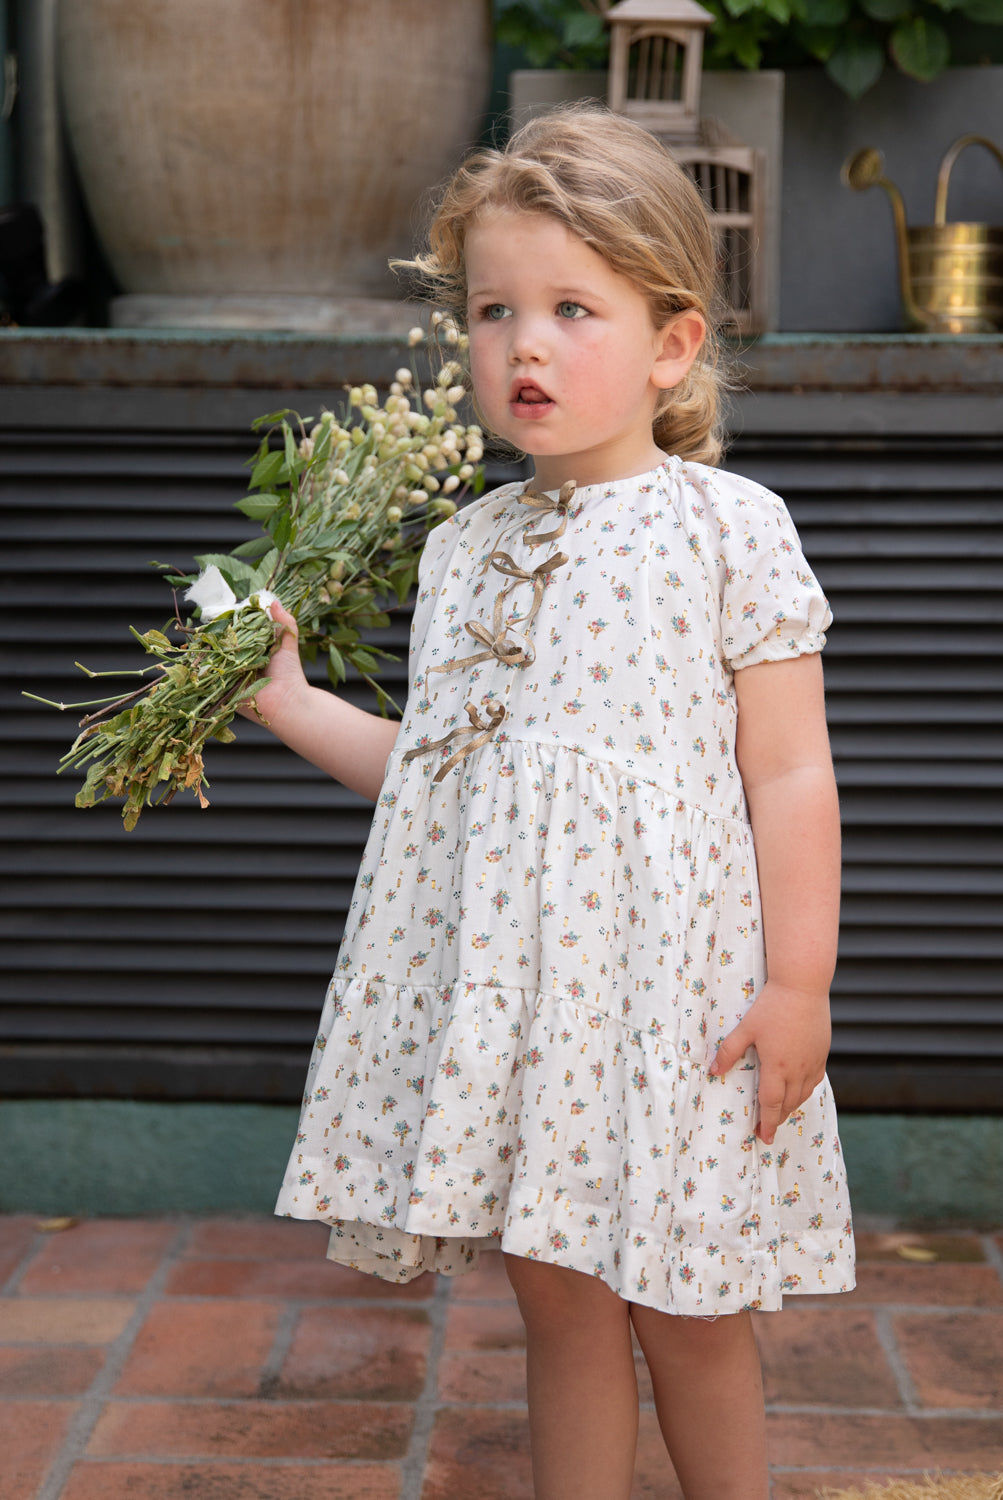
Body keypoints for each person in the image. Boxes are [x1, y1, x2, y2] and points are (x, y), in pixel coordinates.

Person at [251, 105, 854, 1500]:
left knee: (692, 1312)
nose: (525, 345)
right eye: (493, 310)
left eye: (574, 309)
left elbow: (789, 767)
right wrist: (288, 702)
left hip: (678, 1008)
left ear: (673, 343)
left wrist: (802, 983)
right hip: (524, 1012)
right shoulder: (464, 549)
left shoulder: (728, 526)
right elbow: (440, 774)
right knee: (560, 1304)